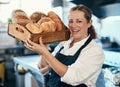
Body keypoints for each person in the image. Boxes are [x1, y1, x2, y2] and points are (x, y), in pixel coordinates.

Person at [25, 4, 105, 87]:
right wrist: (44, 46)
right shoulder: (64, 43)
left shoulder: (94, 50)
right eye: (71, 21)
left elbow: (73, 78)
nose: (73, 25)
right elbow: (43, 68)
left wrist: (45, 53)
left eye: (79, 21)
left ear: (89, 23)